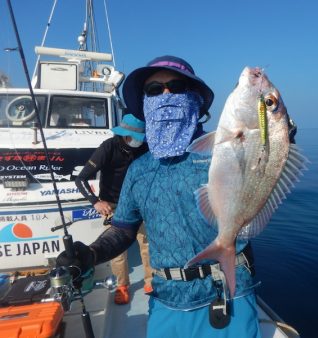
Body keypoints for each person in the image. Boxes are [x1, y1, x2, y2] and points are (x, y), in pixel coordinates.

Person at [59, 55, 261, 337]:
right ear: (145, 104)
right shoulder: (138, 170)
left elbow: (260, 164)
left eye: (176, 86)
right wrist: (91, 254)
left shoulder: (224, 151)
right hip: (166, 302)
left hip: (228, 294)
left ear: (196, 99)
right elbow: (123, 229)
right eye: (154, 90)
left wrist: (274, 138)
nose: (166, 96)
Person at [74, 113, 153, 305]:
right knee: (117, 250)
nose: (139, 141)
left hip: (141, 203)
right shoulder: (108, 147)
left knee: (147, 244)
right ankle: (122, 285)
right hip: (114, 205)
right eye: (136, 137)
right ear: (125, 135)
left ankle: (151, 282)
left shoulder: (145, 147)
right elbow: (80, 178)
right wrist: (95, 201)